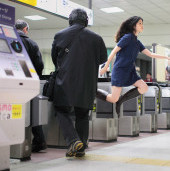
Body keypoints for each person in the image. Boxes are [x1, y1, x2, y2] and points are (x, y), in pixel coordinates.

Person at [51, 9, 107, 158]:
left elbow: (54, 58)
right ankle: (80, 148)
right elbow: (102, 60)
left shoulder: (60, 35)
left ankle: (73, 140)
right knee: (82, 114)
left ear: (70, 20)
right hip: (87, 82)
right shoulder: (97, 38)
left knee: (61, 110)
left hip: (66, 81)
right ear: (86, 21)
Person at [97, 16, 170, 114]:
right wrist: (106, 66)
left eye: (142, 23)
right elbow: (114, 51)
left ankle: (121, 100)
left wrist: (167, 58)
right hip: (120, 70)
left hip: (130, 71)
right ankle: (93, 91)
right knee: (113, 99)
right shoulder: (127, 37)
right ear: (133, 25)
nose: (142, 26)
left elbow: (150, 54)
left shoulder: (137, 42)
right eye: (140, 23)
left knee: (144, 87)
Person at [15, 19, 46, 152]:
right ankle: (39, 141)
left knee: (14, 111)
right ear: (26, 29)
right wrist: (35, 77)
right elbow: (40, 65)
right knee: (32, 111)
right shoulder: (32, 43)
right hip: (29, 82)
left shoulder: (10, 40)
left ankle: (14, 142)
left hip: (13, 81)